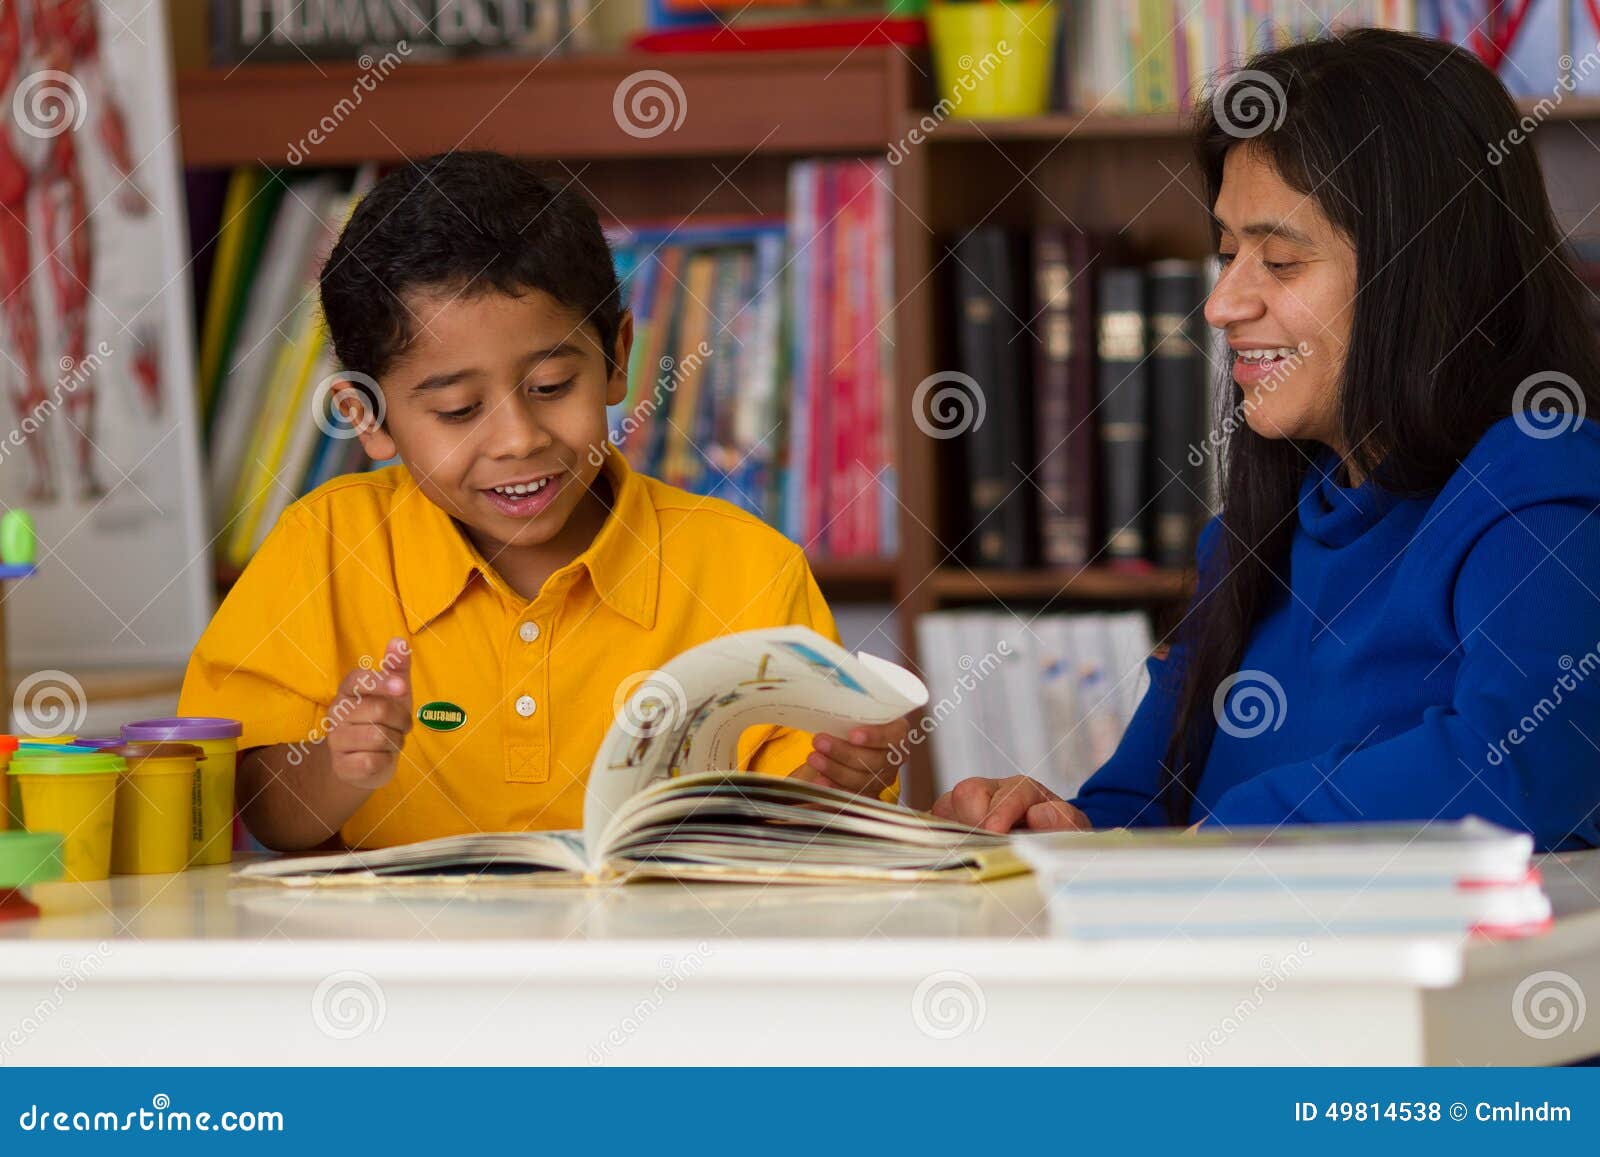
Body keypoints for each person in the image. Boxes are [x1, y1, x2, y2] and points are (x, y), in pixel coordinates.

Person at [934, 29, 1600, 852]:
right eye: (1225, 252)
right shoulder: (1254, 532)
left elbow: (1531, 772)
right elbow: (1139, 806)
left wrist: (1231, 833)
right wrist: (1046, 824)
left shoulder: (1543, 493)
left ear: (1424, 273)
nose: (1220, 305)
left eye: (1280, 261)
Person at [180, 152, 906, 851]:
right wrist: (335, 767)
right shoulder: (325, 545)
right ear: (367, 417)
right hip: (402, 969)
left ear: (618, 357)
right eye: (460, 409)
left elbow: (808, 830)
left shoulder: (750, 570)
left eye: (553, 386)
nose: (519, 439)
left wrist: (837, 786)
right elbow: (257, 809)